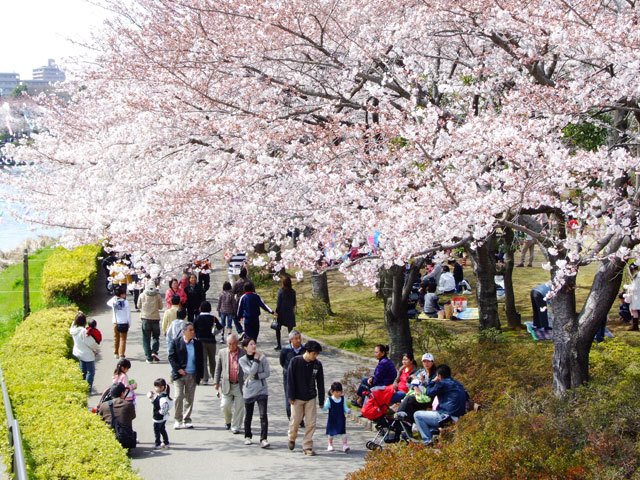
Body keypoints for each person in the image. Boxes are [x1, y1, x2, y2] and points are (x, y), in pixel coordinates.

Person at [414, 364, 469, 446]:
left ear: (439, 375)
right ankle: (434, 435)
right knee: (432, 412)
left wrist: (432, 381)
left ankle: (427, 441)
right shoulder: (458, 384)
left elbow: (429, 392)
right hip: (459, 416)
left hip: (447, 416)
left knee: (417, 415)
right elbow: (467, 396)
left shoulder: (442, 383)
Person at [287, 340, 325, 456]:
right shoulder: (295, 361)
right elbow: (290, 380)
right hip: (297, 397)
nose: (315, 356)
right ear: (307, 351)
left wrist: (321, 400)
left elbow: (320, 382)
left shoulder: (317, 364)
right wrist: (291, 396)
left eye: (317, 354)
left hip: (310, 396)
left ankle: (307, 446)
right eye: (313, 354)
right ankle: (292, 437)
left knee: (311, 423)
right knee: (295, 421)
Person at [168, 322, 203, 429]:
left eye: (193, 330)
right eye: (190, 330)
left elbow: (201, 359)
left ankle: (187, 419)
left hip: (192, 374)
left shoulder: (197, 343)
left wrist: (201, 374)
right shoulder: (176, 342)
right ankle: (177, 419)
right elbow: (171, 357)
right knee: (178, 396)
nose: (193, 332)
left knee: (189, 397)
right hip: (179, 375)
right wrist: (178, 369)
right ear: (184, 332)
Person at [239, 338, 271, 448]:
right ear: (245, 347)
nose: (253, 346)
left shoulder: (262, 357)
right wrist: (256, 361)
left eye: (254, 344)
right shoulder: (242, 360)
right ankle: (247, 436)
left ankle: (264, 438)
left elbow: (267, 372)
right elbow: (250, 371)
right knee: (248, 415)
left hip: (262, 389)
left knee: (263, 415)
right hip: (249, 390)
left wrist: (258, 376)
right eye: (251, 344)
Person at [213, 333, 246, 434]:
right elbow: (218, 368)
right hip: (227, 384)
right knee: (225, 405)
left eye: (233, 344)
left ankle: (236, 426)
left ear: (237, 343)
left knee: (239, 406)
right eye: (229, 344)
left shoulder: (243, 353)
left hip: (239, 384)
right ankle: (228, 421)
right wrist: (216, 382)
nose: (231, 346)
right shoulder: (222, 352)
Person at [397, 353, 437, 423]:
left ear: (432, 362)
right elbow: (409, 383)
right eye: (424, 361)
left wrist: (423, 382)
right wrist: (415, 385)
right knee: (409, 402)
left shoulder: (435, 375)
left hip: (427, 398)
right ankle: (405, 425)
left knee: (409, 399)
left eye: (428, 361)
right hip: (417, 396)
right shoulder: (420, 372)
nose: (426, 363)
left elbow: (433, 389)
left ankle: (398, 419)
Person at [193, 301, 223, 385]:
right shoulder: (213, 318)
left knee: (203, 360)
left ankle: (205, 378)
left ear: (200, 308)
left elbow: (193, 328)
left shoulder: (198, 318)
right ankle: (215, 377)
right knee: (212, 360)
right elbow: (220, 328)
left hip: (200, 341)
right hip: (211, 341)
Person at [69, 311, 99, 392]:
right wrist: (95, 348)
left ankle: (82, 387)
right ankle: (87, 389)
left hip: (79, 353)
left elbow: (73, 324)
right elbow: (90, 343)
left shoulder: (73, 330)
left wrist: (77, 315)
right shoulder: (83, 331)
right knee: (91, 372)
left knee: (83, 371)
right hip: (87, 354)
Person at [280, 330, 306, 420]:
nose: (298, 340)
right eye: (296, 339)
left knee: (301, 398)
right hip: (288, 376)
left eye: (299, 338)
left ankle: (300, 418)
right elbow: (282, 362)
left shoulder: (304, 349)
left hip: (302, 377)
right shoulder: (286, 350)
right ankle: (291, 416)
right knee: (289, 396)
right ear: (291, 339)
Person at [320, 382, 350, 453]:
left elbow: (344, 407)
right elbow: (326, 407)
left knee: (343, 432)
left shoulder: (343, 399)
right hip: (332, 419)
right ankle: (330, 444)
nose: (338, 394)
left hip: (341, 419)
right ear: (332, 392)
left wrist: (348, 410)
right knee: (331, 433)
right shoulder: (329, 400)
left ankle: (345, 445)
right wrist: (322, 407)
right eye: (336, 392)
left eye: (340, 392)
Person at [137, 282, 163, 363]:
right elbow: (161, 307)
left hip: (145, 319)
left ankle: (148, 357)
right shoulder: (157, 295)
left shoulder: (142, 295)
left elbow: (138, 305)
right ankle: (154, 351)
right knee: (155, 337)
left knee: (146, 338)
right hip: (155, 319)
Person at [147, 378, 173, 449]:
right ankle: (166, 442)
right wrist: (152, 398)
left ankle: (158, 443)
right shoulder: (163, 395)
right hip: (163, 418)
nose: (155, 388)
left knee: (157, 430)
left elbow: (164, 406)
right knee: (162, 429)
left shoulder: (162, 398)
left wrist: (161, 412)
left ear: (162, 387)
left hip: (158, 417)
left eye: (156, 386)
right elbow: (156, 403)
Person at [107, 285, 131, 359]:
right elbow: (128, 314)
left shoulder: (114, 301)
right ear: (121, 295)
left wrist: (115, 297)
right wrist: (129, 323)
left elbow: (108, 303)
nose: (125, 295)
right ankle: (122, 354)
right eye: (124, 294)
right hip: (124, 322)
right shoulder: (126, 302)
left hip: (115, 322)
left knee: (116, 338)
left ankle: (116, 353)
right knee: (123, 339)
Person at [275, 276, 297, 351]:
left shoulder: (281, 291)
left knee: (278, 328)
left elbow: (278, 303)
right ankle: (291, 345)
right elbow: (294, 302)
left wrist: (276, 312)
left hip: (281, 312)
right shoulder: (293, 291)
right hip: (290, 312)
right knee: (290, 330)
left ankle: (279, 345)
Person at [629, 264, 640, 331]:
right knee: (633, 309)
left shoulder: (637, 276)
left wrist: (627, 287)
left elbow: (635, 288)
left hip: (637, 295)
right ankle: (635, 326)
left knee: (634, 309)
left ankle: (635, 326)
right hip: (636, 295)